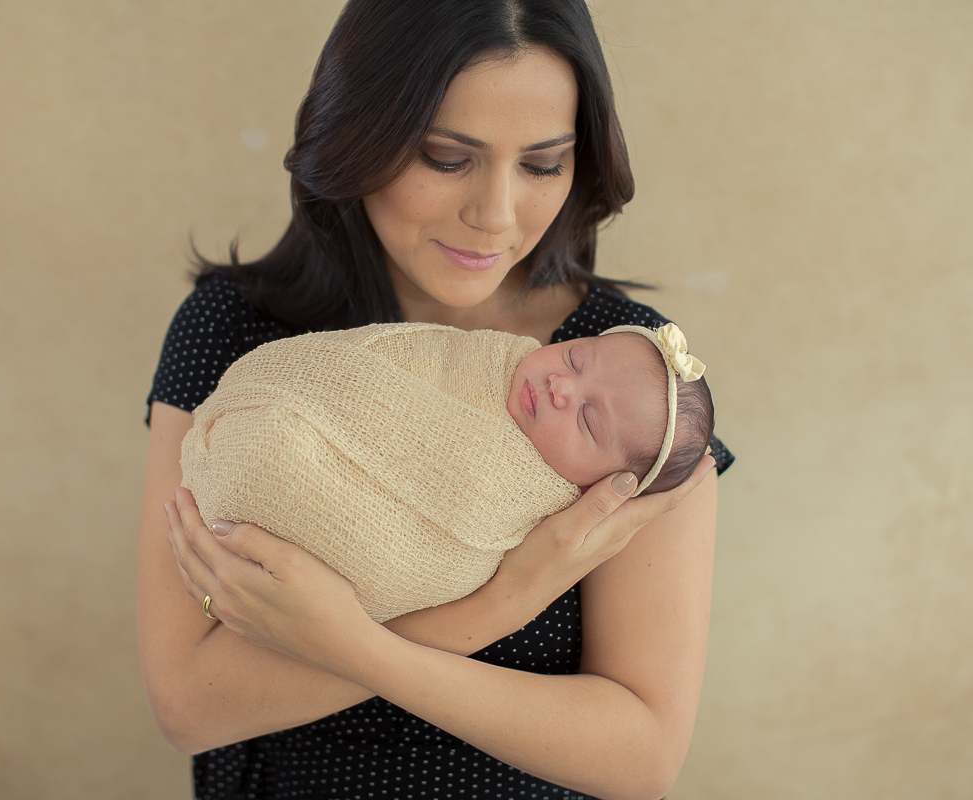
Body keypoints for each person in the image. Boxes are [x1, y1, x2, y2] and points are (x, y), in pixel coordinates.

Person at [138, 1, 735, 797]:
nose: (495, 216)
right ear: (359, 137)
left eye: (542, 164)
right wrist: (502, 601)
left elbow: (642, 757)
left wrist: (352, 645)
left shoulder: (634, 387)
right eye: (447, 158)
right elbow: (188, 704)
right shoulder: (234, 332)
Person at [180, 320, 714, 622]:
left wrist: (500, 604)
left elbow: (641, 770)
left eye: (588, 420)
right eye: (576, 358)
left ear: (602, 487)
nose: (561, 387)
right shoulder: (486, 357)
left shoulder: (540, 500)